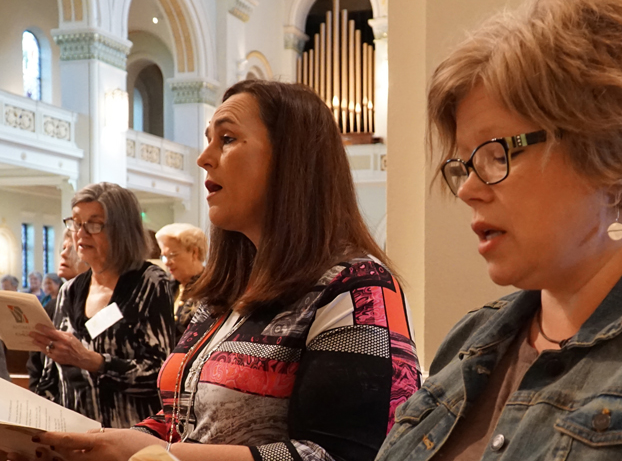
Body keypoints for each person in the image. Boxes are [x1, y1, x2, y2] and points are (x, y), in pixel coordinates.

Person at [376, 0, 622, 460]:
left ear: (620, 155)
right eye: (463, 163)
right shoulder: (472, 338)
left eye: (497, 153)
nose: (467, 189)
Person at [25, 80, 421, 461]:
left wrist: (151, 454)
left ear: (291, 158)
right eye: (208, 139)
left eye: (227, 139)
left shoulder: (357, 289)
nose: (203, 157)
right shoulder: (224, 296)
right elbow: (179, 421)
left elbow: (346, 454)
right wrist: (101, 444)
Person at [30, 182, 175, 428]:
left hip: (128, 439)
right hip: (73, 438)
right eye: (76, 222)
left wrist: (94, 361)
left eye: (94, 224)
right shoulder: (69, 291)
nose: (81, 233)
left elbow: (159, 376)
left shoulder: (150, 283)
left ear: (122, 230)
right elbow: (49, 375)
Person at [27, 231, 90, 394]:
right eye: (63, 248)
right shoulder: (52, 306)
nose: (63, 254)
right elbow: (36, 360)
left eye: (72, 249)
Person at [155, 223, 207, 340]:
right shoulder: (167, 288)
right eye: (164, 257)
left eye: (172, 255)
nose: (166, 263)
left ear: (194, 253)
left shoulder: (210, 288)